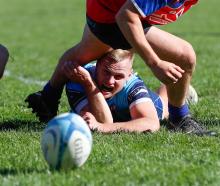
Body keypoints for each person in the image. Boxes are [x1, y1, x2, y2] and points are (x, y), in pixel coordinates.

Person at [25, 0, 215, 136]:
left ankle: (48, 97)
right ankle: (179, 118)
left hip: (104, 9)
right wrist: (155, 63)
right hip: (114, 16)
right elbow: (126, 16)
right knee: (185, 55)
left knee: (83, 52)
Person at [65, 49, 167, 133]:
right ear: (96, 66)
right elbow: (102, 120)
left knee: (165, 98)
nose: (110, 81)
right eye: (106, 72)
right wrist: (89, 84)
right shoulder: (79, 78)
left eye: (118, 76)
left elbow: (152, 123)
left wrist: (102, 127)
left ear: (129, 75)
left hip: (153, 105)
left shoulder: (133, 85)